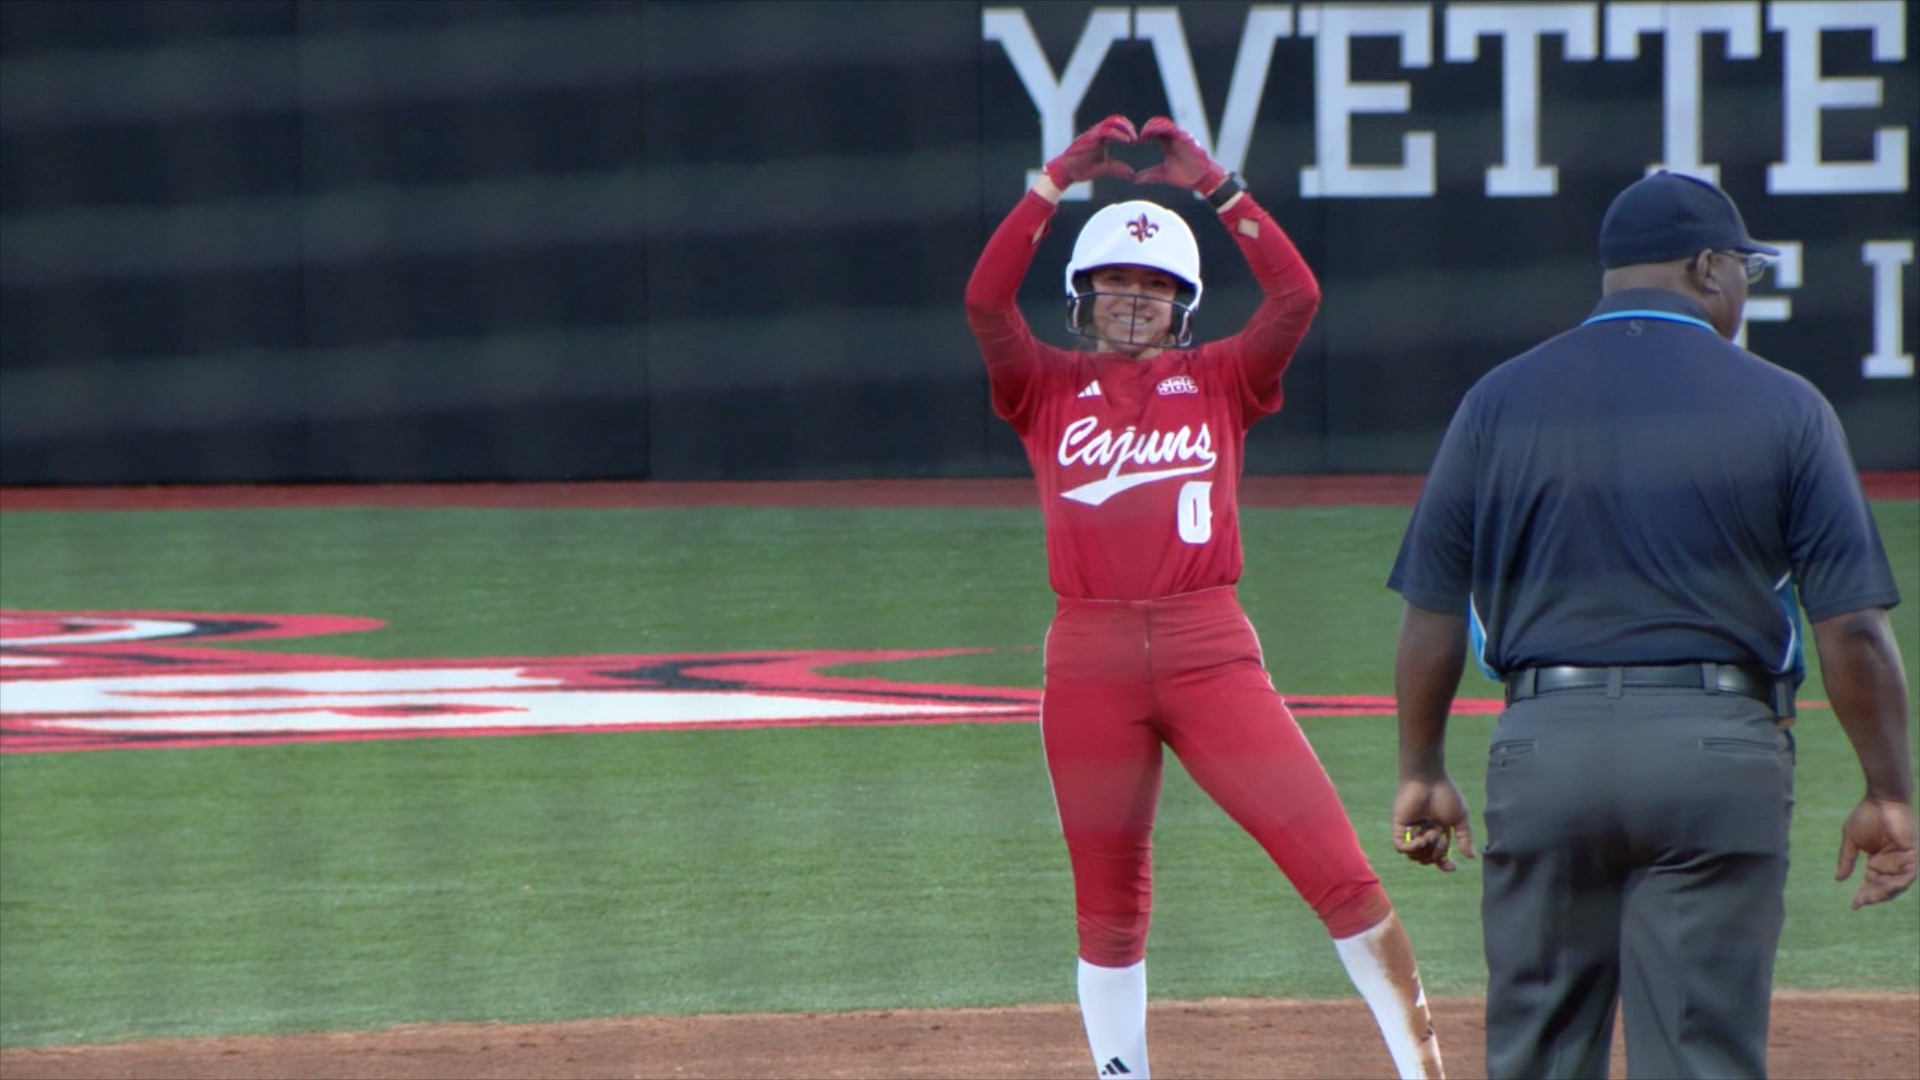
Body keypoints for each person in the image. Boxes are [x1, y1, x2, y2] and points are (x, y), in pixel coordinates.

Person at [1386, 170, 1917, 1078]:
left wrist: (1422, 770)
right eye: (1742, 268)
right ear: (1708, 268)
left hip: (1544, 753)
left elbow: (1432, 612)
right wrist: (1889, 792)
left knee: (1538, 1056)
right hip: (1717, 759)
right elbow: (1855, 634)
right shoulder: (1788, 404)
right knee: (1699, 1055)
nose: (1744, 287)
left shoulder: (1498, 400)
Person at [966, 114, 1444, 1080]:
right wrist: (1056, 179)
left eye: (1155, 286)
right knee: (1108, 900)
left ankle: (1424, 1072)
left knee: (1336, 870)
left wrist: (1218, 188)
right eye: (1113, 284)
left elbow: (1297, 294)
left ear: (1182, 305)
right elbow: (984, 301)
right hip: (1088, 658)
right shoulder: (1043, 387)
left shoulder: (1223, 375)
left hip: (1209, 648)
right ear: (1082, 298)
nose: (1133, 300)